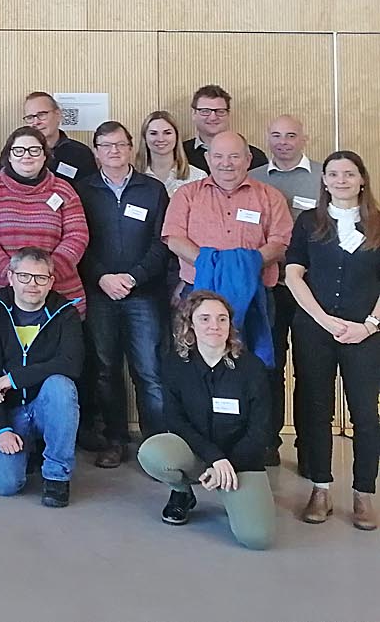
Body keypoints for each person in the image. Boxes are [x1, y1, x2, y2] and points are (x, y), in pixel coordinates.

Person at [162, 132, 293, 467]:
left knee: (260, 368)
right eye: (219, 157)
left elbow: (279, 243)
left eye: (235, 156)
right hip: (198, 297)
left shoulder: (270, 196)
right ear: (207, 160)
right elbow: (174, 238)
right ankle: (197, 445)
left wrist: (243, 267)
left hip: (257, 296)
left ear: (249, 160)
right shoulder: (187, 195)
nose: (226, 164)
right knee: (193, 366)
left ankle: (261, 443)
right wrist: (214, 264)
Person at [284, 151, 380, 531]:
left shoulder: (378, 224)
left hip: (365, 334)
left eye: (349, 173)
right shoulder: (309, 223)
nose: (341, 180)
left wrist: (370, 325)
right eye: (333, 174)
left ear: (362, 180)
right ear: (323, 181)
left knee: (365, 415)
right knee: (315, 409)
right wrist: (323, 320)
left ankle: (364, 493)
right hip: (314, 331)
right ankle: (320, 488)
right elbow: (293, 275)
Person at [138, 291, 276, 550]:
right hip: (198, 452)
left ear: (230, 326)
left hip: (241, 461)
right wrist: (214, 458)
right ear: (189, 324)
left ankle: (230, 491)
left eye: (222, 319)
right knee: (153, 453)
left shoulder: (252, 368)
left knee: (257, 538)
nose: (214, 325)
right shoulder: (175, 365)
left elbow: (261, 429)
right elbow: (175, 421)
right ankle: (182, 492)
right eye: (204, 318)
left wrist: (228, 464)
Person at [75, 121, 170, 468]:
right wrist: (101, 278)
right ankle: (115, 439)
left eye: (120, 144)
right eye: (105, 145)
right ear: (96, 152)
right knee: (104, 369)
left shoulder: (153, 190)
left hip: (143, 293)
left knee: (149, 371)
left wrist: (133, 277)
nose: (113, 151)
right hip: (99, 294)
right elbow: (77, 242)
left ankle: (158, 447)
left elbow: (164, 242)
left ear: (132, 148)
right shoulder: (81, 190)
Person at [0, 247, 84, 507]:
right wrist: (1, 429)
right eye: (24, 276)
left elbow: (71, 364)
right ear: (10, 277)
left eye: (40, 278)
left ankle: (57, 477)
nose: (32, 285)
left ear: (51, 282)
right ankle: (27, 452)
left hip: (46, 405)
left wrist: (15, 378)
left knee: (61, 386)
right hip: (10, 410)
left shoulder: (65, 312)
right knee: (5, 485)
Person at [253, 114, 321, 472]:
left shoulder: (327, 176)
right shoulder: (254, 179)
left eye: (291, 135)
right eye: (276, 135)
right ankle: (270, 440)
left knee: (311, 370)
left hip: (316, 292)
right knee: (270, 366)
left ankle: (311, 447)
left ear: (304, 138)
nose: (283, 142)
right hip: (272, 288)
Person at [0, 127, 89, 314]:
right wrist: (12, 275)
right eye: (19, 150)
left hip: (57, 291)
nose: (27, 156)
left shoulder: (64, 190)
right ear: (9, 156)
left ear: (44, 156)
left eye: (34, 150)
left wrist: (43, 277)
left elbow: (78, 236)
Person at [182, 85, 269, 173]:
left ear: (228, 114)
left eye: (220, 111)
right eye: (205, 111)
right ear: (193, 114)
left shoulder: (254, 156)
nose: (213, 117)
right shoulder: (179, 154)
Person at [21, 92, 96, 184]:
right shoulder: (16, 152)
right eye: (30, 117)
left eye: (42, 115)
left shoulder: (80, 153)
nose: (36, 122)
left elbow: (90, 191)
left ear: (58, 114)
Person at [136, 110, 208, 195]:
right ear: (145, 138)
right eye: (153, 133)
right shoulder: (133, 177)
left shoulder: (198, 177)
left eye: (167, 133)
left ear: (177, 136)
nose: (161, 139)